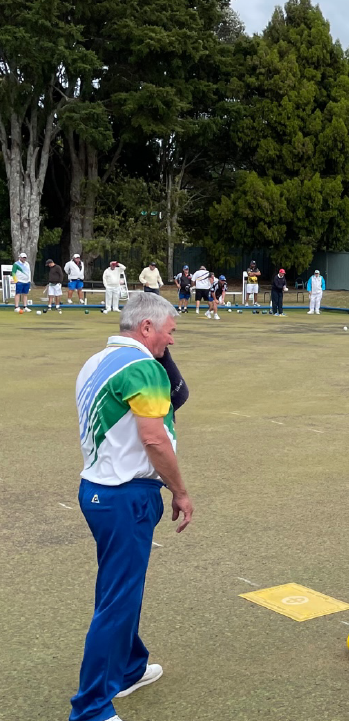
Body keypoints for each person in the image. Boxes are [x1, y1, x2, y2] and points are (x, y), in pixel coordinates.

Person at [70, 292, 194, 721]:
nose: (171, 340)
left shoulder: (96, 361)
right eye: (169, 331)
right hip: (125, 497)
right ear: (146, 327)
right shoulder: (144, 367)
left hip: (98, 491)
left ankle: (128, 669)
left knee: (122, 590)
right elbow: (154, 439)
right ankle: (91, 709)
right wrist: (179, 491)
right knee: (118, 600)